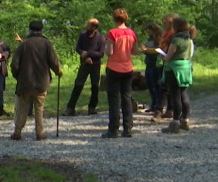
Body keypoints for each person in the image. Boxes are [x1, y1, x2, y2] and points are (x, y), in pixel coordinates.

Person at [9, 20, 62, 141]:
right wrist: (59, 72)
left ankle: (17, 132)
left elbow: (14, 65)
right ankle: (39, 133)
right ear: (41, 30)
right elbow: (54, 62)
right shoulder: (46, 44)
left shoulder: (24, 44)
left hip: (25, 82)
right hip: (41, 82)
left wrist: (18, 76)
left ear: (29, 30)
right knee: (39, 108)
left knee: (22, 108)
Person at [147, 17, 197, 134]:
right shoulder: (189, 38)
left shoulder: (175, 39)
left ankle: (175, 122)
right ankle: (185, 120)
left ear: (176, 26)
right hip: (185, 68)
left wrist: (162, 56)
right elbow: (190, 54)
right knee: (184, 95)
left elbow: (168, 56)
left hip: (174, 69)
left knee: (175, 96)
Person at [103, 8, 140, 138]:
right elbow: (135, 51)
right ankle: (128, 128)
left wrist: (105, 46)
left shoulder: (112, 33)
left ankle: (113, 129)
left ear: (114, 19)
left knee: (113, 99)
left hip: (114, 67)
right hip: (127, 67)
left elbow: (109, 52)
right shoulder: (131, 33)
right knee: (126, 98)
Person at [62, 18, 105, 116]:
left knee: (94, 86)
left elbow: (101, 53)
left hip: (95, 65)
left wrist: (89, 54)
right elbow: (78, 48)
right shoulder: (82, 35)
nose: (86, 25)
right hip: (84, 64)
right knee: (78, 84)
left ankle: (92, 107)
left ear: (94, 27)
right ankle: (70, 108)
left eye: (89, 24)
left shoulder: (101, 38)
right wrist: (85, 56)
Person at [151, 13, 177, 123]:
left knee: (164, 87)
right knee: (167, 87)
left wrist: (162, 51)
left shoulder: (172, 34)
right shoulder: (166, 33)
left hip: (169, 61)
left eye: (165, 22)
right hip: (163, 61)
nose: (163, 24)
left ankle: (159, 111)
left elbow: (168, 48)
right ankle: (170, 109)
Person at [142, 23, 164, 117]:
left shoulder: (159, 39)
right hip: (148, 63)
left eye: (149, 30)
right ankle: (153, 104)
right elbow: (145, 46)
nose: (148, 32)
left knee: (156, 85)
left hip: (156, 63)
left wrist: (150, 50)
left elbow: (160, 49)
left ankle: (157, 105)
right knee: (149, 84)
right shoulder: (148, 39)